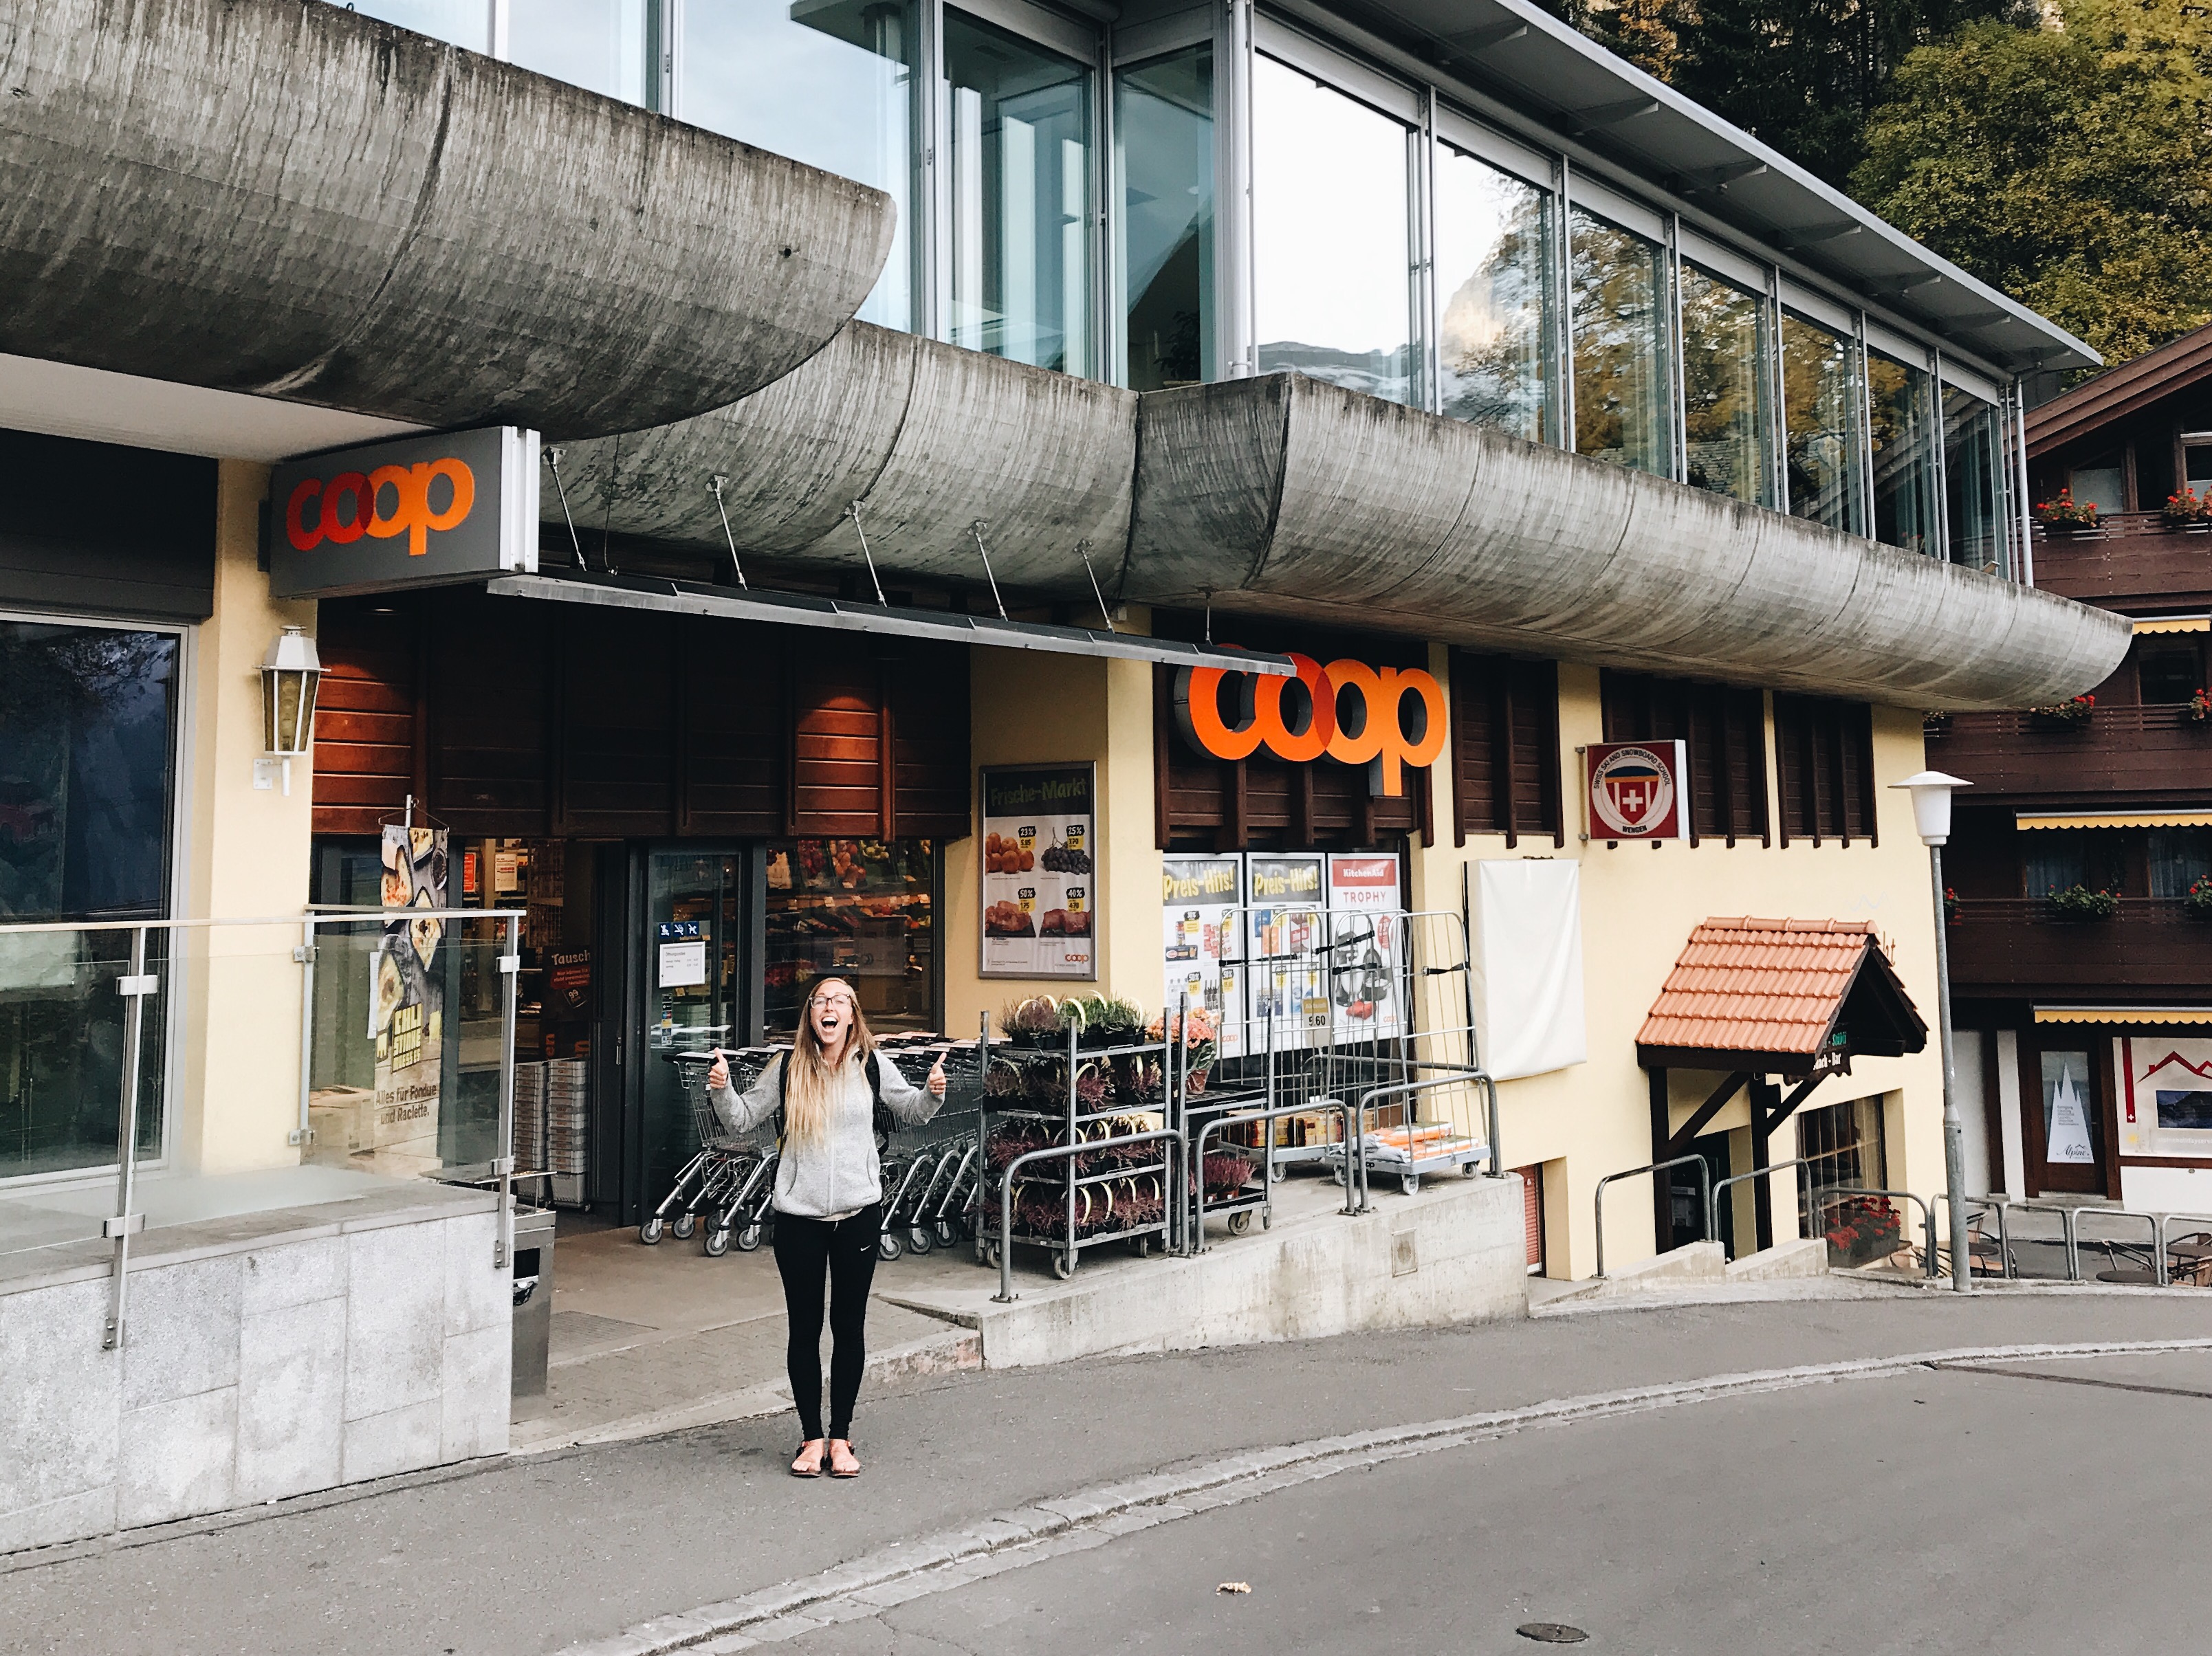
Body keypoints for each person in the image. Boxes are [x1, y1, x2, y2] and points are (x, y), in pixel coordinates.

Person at [706, 979, 945, 1479]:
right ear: (811, 1014)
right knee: (805, 1329)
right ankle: (811, 1438)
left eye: (838, 1000)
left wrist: (932, 1094)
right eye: (820, 1000)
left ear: (852, 1014)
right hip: (800, 1220)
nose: (828, 1007)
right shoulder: (787, 1067)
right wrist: (722, 1089)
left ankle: (841, 1437)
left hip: (858, 1215)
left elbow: (911, 1110)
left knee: (849, 1328)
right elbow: (742, 1120)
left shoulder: (872, 1065)